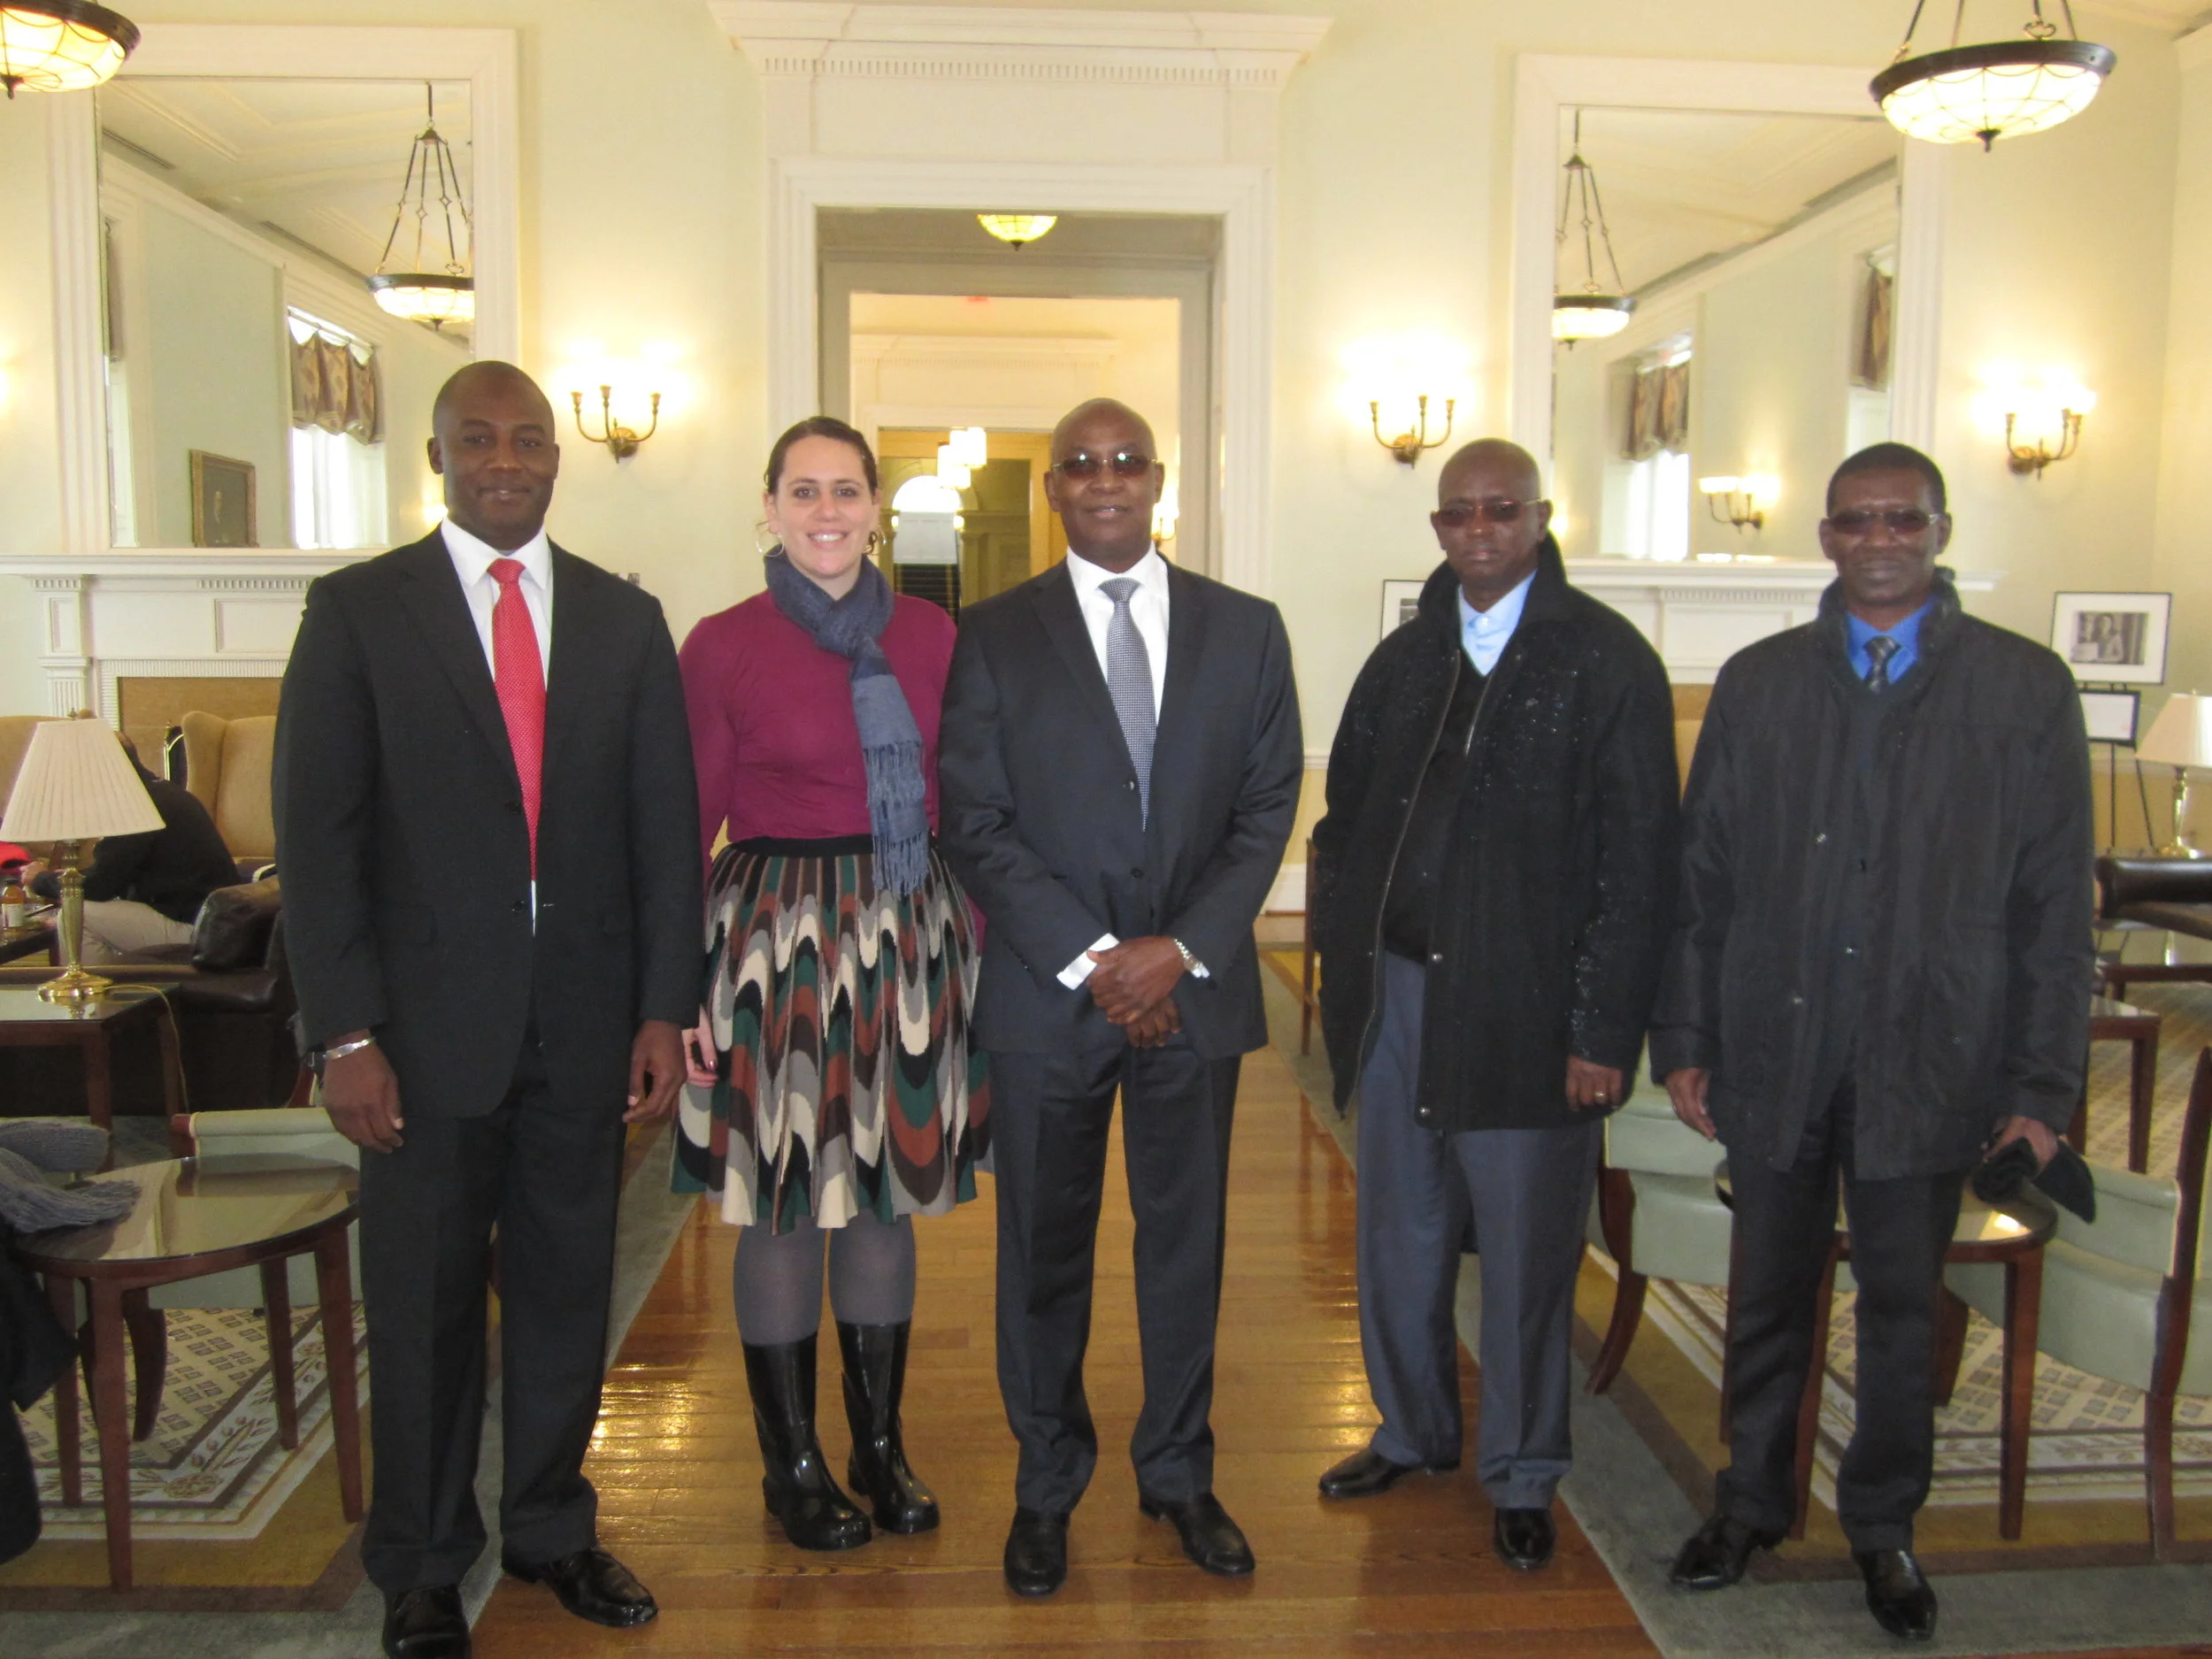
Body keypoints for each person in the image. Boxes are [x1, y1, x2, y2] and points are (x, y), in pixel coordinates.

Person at [274, 361, 702, 1659]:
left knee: (572, 1288)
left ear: (557, 457)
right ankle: (418, 1562)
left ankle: (552, 1528)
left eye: (526, 439)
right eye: (478, 438)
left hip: (583, 1030)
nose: (504, 458)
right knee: (424, 1310)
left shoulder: (627, 622)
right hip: (416, 1041)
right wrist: (343, 1033)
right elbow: (319, 835)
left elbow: (664, 833)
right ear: (438, 455)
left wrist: (663, 1008)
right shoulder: (358, 613)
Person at [1651, 442, 2092, 1642]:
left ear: (1938, 529)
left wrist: (2043, 1084)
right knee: (1765, 1299)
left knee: (1903, 1311)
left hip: (1934, 1055)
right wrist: (1685, 1032)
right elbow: (1705, 879)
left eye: (1905, 518)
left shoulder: (2024, 688)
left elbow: (2059, 906)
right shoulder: (1758, 683)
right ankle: (1748, 1502)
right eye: (1858, 520)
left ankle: (1882, 1526)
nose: (1882, 538)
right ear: (1827, 534)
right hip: (1777, 1049)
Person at [939, 397, 1302, 1598]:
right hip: (1053, 1001)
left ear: (1160, 479)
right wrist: (1102, 955)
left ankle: (1179, 1473)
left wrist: (1176, 950)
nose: (1106, 480)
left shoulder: (1246, 631)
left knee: (1185, 1246)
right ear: (1052, 487)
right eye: (1081, 465)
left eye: (1126, 461)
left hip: (1192, 996)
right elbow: (975, 821)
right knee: (1043, 1248)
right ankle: (1047, 1484)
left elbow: (1265, 808)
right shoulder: (990, 634)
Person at [1309, 439, 1678, 1572]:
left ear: (1539, 517)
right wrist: (1342, 965)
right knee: (1399, 1236)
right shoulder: (1402, 659)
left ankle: (1522, 1471)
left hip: (1530, 1018)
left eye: (1501, 509)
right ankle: (1413, 1431)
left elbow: (1639, 864)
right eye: (1459, 512)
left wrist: (1602, 1033)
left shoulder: (1604, 661)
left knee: (1523, 1258)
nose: (1479, 529)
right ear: (1437, 527)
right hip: (1398, 1007)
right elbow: (1347, 816)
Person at [673, 415, 988, 1554]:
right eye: (801, 492)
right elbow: (683, 824)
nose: (825, 512)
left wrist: (979, 955)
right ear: (768, 508)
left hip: (909, 936)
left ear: (875, 507)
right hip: (773, 948)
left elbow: (965, 802)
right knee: (784, 1203)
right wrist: (677, 995)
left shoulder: (932, 636)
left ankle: (877, 1444)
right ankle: (790, 1464)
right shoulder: (720, 644)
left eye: (845, 490)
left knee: (888, 1200)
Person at [21, 734, 235, 960]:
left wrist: (40, 880)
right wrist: (65, 879)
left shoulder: (137, 808)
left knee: (77, 916)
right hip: (212, 924)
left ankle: (92, 992)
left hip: (195, 931)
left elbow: (99, 887)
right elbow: (114, 874)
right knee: (82, 912)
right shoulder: (162, 793)